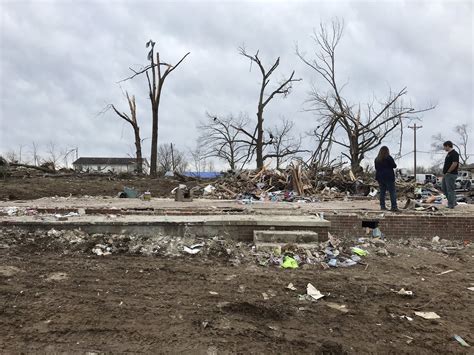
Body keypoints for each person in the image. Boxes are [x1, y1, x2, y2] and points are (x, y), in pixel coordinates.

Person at [374, 146, 398, 211]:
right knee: (392, 192)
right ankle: (394, 206)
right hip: (389, 177)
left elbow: (376, 168)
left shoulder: (377, 159)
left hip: (380, 177)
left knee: (382, 192)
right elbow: (394, 166)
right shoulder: (388, 157)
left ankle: (382, 206)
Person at [442, 140, 459, 209]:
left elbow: (455, 163)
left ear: (448, 146)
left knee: (450, 190)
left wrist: (448, 172)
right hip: (446, 174)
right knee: (444, 188)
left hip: (451, 174)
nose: (444, 148)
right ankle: (453, 202)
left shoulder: (454, 153)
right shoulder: (448, 154)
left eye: (444, 147)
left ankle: (451, 205)